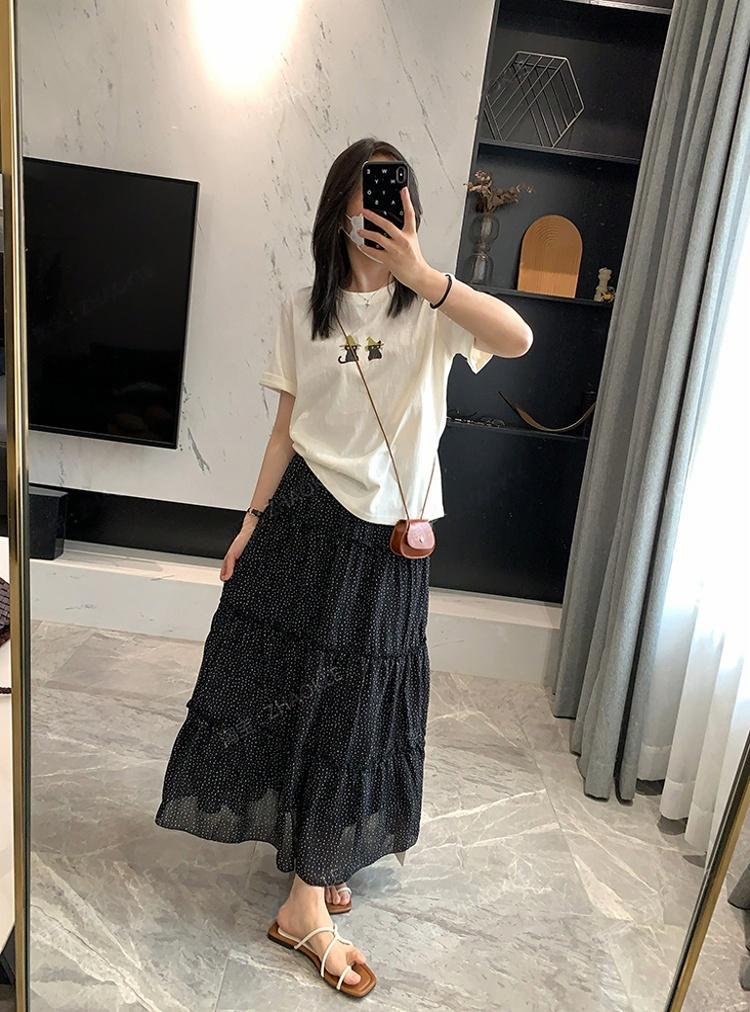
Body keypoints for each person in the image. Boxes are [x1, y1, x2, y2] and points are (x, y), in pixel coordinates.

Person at [154, 137, 532, 998]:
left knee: (360, 707)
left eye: (393, 199)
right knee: (295, 691)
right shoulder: (303, 311)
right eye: (366, 199)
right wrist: (249, 523)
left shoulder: (433, 308)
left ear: (411, 212)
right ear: (337, 211)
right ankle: (305, 896)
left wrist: (425, 274)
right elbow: (284, 432)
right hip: (304, 523)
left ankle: (315, 866)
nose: (379, 215)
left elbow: (518, 338)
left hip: (388, 542)